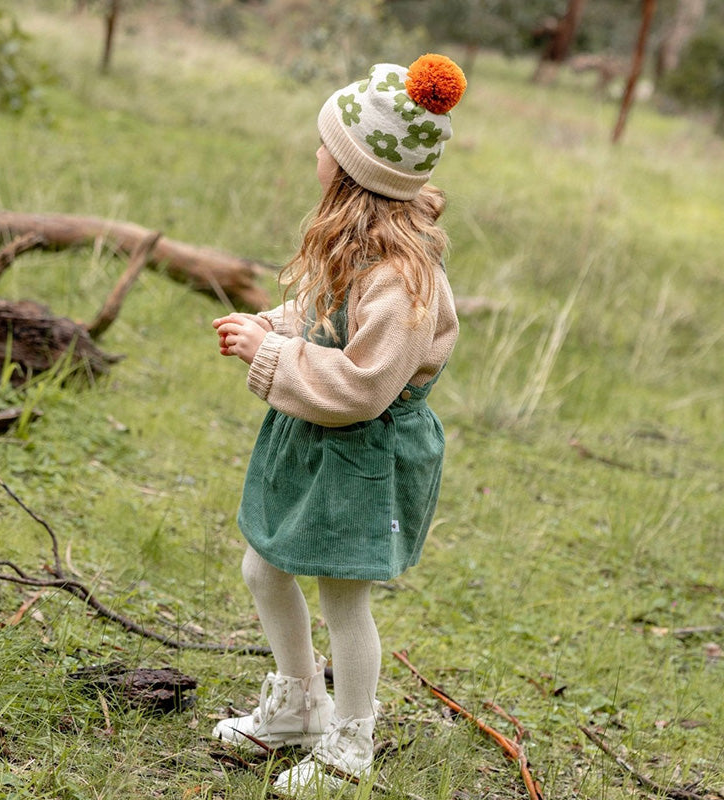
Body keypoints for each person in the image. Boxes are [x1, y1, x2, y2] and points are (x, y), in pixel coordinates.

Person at [211, 53, 466, 794]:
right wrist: (270, 326)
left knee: (342, 594)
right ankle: (297, 704)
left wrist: (273, 358)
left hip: (364, 451)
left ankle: (350, 741)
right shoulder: (359, 249)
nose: (315, 151)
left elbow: (362, 383)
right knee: (264, 563)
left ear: (354, 170)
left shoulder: (402, 278)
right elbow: (325, 316)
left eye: (326, 142)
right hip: (319, 438)